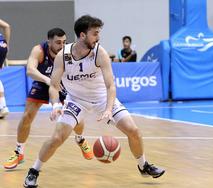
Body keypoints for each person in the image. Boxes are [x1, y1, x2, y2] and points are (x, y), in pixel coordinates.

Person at [23, 15, 165, 188]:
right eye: (95, 33)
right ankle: (34, 171)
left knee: (133, 130)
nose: (98, 37)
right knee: (57, 138)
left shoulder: (100, 52)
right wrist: (55, 105)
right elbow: (53, 85)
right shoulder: (64, 55)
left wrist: (108, 108)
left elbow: (111, 86)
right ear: (82, 35)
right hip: (76, 100)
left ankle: (143, 165)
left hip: (101, 99)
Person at [3, 28, 93, 170]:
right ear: (49, 41)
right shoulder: (39, 50)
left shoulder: (69, 51)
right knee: (27, 116)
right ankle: (19, 152)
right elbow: (30, 70)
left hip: (63, 84)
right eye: (58, 42)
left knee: (78, 120)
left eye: (64, 42)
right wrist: (48, 80)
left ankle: (80, 139)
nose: (62, 46)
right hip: (43, 81)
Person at [0, 19, 10, 118]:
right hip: (2, 44)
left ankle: (2, 106)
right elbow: (6, 26)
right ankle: (2, 106)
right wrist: (7, 46)